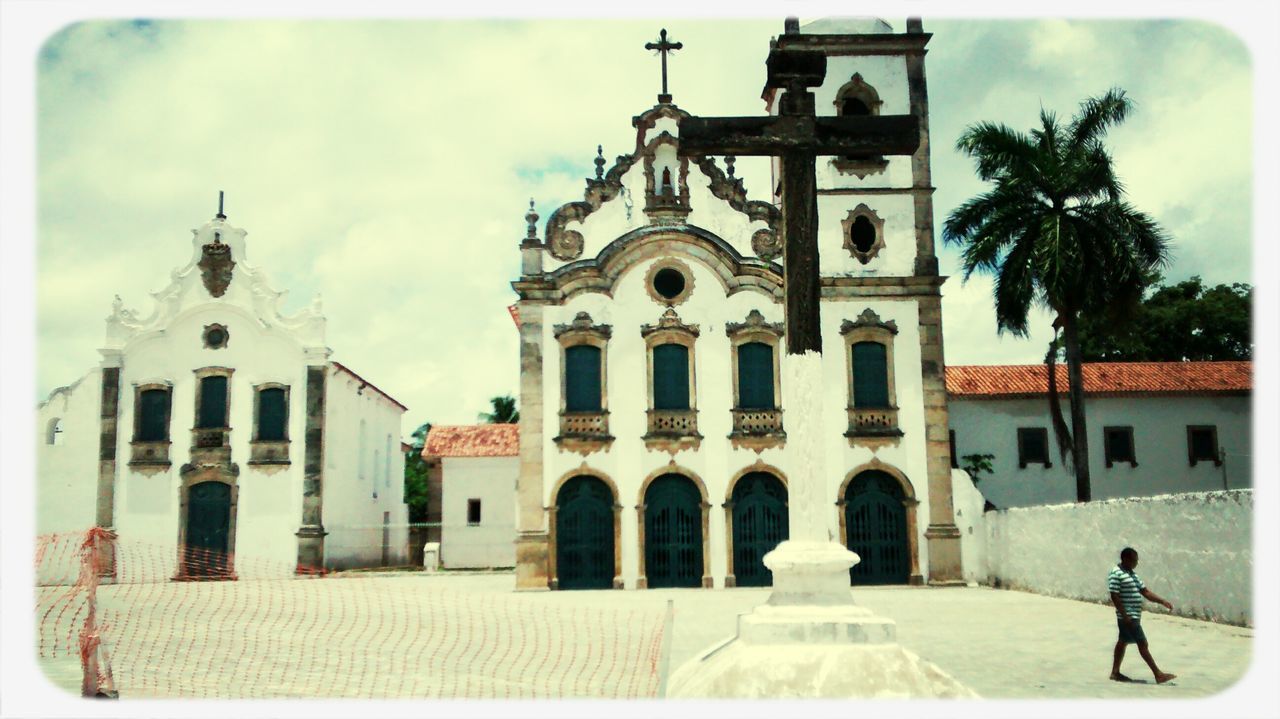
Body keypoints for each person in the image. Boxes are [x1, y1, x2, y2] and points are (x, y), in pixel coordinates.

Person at [1108, 547, 1176, 683]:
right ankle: (1158, 674)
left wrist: (1162, 601)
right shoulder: (1116, 573)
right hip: (1128, 616)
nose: (1136, 563)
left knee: (1123, 642)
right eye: (1134, 560)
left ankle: (1115, 673)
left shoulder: (1133, 574)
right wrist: (1125, 615)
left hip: (1133, 615)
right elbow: (1114, 596)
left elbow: (1145, 592)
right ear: (1125, 559)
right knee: (1142, 643)